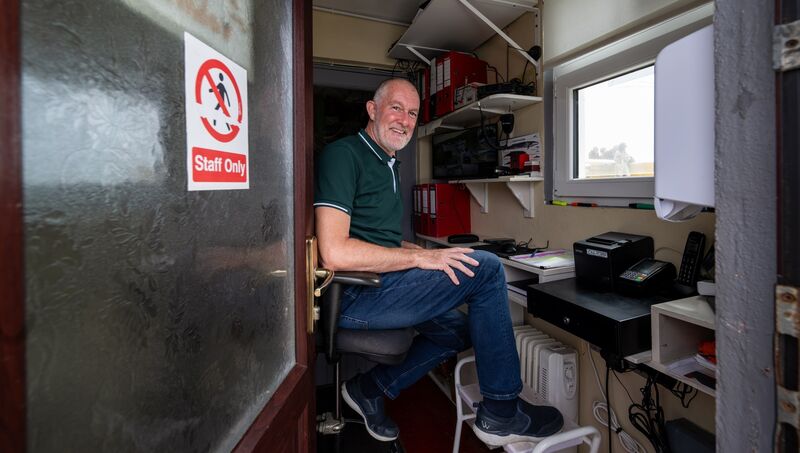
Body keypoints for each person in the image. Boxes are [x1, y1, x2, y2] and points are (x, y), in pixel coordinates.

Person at [314, 78, 563, 446]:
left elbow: (374, 237)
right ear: (372, 109)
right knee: (488, 268)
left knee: (457, 331)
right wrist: (421, 256)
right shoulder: (344, 155)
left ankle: (370, 388)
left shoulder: (388, 164)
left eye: (412, 113)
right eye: (396, 108)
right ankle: (501, 410)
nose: (404, 120)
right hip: (352, 295)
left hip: (381, 284)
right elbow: (334, 252)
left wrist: (417, 251)